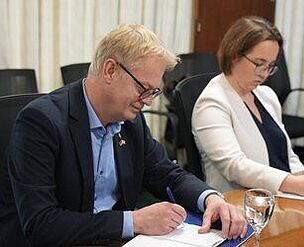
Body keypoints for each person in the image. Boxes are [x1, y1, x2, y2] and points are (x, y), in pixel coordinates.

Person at [0, 24, 247, 247]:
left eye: (154, 92)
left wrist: (211, 199)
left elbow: (167, 173)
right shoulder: (41, 122)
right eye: (143, 89)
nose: (149, 102)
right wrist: (134, 221)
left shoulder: (130, 119)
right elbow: (41, 224)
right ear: (110, 70)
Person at [192, 16, 304, 196]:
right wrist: (293, 183)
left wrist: (303, 181)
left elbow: (288, 155)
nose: (265, 74)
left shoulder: (267, 96)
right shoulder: (211, 103)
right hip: (241, 203)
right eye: (259, 64)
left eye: (270, 66)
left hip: (282, 195)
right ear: (234, 55)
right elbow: (234, 166)